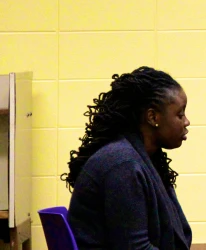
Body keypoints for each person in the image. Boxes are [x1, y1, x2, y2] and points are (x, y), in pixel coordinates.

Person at [61, 66, 192, 250]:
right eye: (180, 114)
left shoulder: (142, 158)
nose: (186, 122)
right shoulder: (123, 165)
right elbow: (135, 248)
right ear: (153, 117)